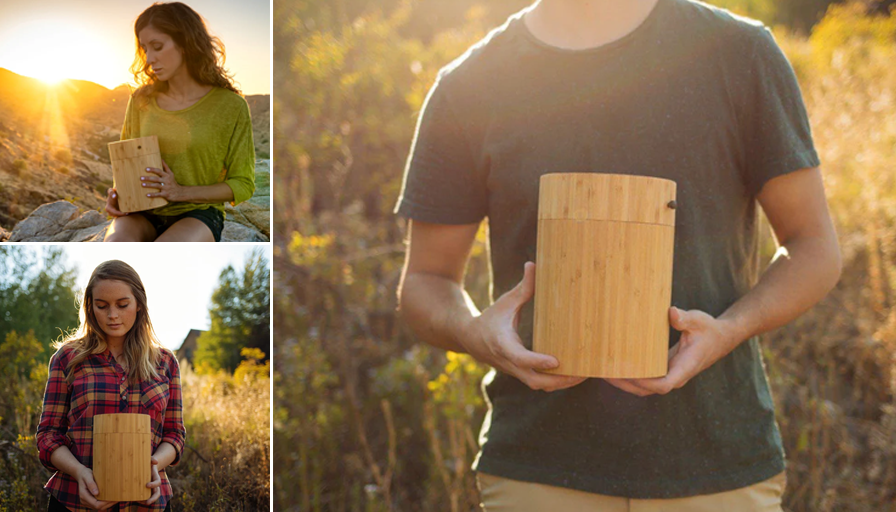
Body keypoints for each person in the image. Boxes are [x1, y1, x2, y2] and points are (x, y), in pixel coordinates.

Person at [394, 0, 842, 509]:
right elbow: (426, 280)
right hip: (538, 472)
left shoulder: (740, 53)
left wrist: (730, 329)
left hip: (717, 467)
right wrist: (476, 333)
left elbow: (813, 246)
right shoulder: (468, 86)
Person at [36, 260, 186, 512]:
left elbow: (175, 435)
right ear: (90, 307)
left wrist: (153, 464)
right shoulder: (68, 358)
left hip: (147, 502)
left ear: (139, 304)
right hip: (74, 499)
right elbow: (48, 435)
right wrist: (79, 472)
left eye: (122, 304)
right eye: (102, 306)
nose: (113, 315)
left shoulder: (165, 362)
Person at [104, 2, 256, 242]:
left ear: (185, 43)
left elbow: (243, 184)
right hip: (142, 210)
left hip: (197, 213)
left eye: (157, 46)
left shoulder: (231, 107)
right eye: (145, 48)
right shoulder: (141, 100)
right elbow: (126, 159)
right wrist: (118, 194)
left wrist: (180, 192)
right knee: (115, 244)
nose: (149, 58)